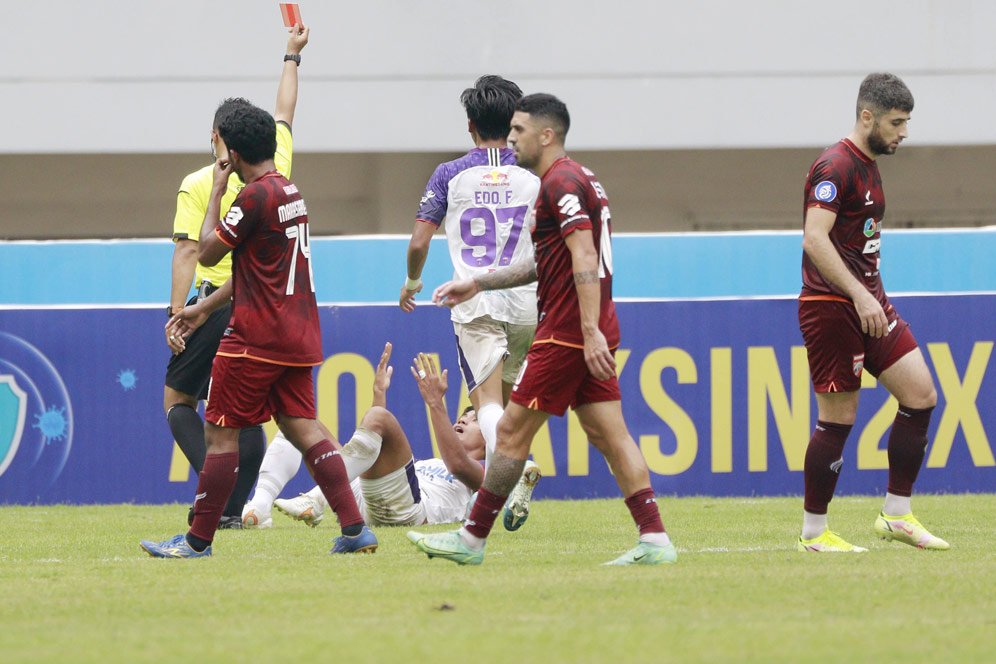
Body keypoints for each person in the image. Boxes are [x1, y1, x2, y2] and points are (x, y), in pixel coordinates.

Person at [408, 94, 677, 566]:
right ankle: (654, 539)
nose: (511, 139)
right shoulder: (568, 179)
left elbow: (585, 257)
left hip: (568, 329)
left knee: (509, 431)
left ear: (546, 135)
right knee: (609, 433)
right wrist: (479, 281)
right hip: (580, 325)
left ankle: (470, 540)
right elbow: (540, 262)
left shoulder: (560, 182)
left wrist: (588, 330)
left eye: (520, 130)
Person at [141, 102, 376, 558]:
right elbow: (251, 270)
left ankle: (197, 541)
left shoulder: (250, 197)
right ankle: (354, 529)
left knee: (221, 434)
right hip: (298, 332)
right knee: (303, 427)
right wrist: (202, 309)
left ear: (230, 150)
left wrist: (216, 190)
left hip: (255, 337)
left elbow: (207, 254)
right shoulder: (290, 191)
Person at [162, 24, 308, 529]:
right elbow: (285, 110)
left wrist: (177, 312)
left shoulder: (202, 183)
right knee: (256, 415)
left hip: (221, 299)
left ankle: (218, 497)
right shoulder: (277, 165)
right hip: (277, 304)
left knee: (182, 399)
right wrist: (291, 56)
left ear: (220, 138)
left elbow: (190, 253)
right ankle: (237, 505)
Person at [796, 73, 948, 553]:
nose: (903, 133)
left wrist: (871, 294)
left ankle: (896, 515)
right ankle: (814, 534)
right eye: (896, 123)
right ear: (867, 117)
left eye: (906, 122)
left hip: (870, 301)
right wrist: (860, 296)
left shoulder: (869, 164)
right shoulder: (834, 165)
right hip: (834, 306)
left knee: (921, 395)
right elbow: (814, 239)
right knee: (838, 419)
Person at [399, 75, 540, 478]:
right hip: (527, 302)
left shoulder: (449, 174)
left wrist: (412, 282)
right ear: (514, 122)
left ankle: (518, 473)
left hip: (475, 302)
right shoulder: (534, 172)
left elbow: (418, 243)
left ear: (469, 124)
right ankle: (503, 499)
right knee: (508, 410)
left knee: (488, 406)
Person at [271, 344, 541, 528]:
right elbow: (375, 455)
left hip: (410, 512)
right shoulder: (428, 465)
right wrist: (379, 393)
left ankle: (316, 499)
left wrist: (436, 403)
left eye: (473, 421)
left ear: (489, 442)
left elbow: (457, 463)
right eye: (463, 417)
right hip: (369, 500)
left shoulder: (482, 476)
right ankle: (260, 505)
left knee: (380, 419)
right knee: (304, 421)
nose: (463, 420)